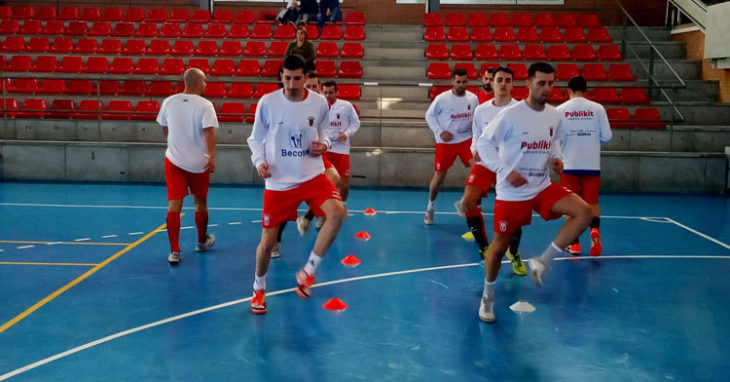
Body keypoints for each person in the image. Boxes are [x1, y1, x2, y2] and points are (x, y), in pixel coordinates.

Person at [476, 62, 593, 323]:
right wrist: (505, 171)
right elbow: (484, 144)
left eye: (551, 83)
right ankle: (488, 296)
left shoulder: (555, 115)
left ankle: (543, 261)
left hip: (541, 186)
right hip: (511, 193)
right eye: (541, 83)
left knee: (585, 212)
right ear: (528, 84)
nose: (547, 88)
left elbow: (556, 142)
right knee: (497, 249)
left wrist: (556, 158)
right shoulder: (509, 115)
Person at [247, 54, 347, 314]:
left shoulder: (319, 102)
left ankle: (308, 272)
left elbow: (325, 133)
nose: (291, 84)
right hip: (278, 182)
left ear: (306, 77)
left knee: (337, 214)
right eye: (287, 78)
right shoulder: (267, 103)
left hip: (311, 175)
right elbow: (255, 139)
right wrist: (259, 162)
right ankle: (258, 288)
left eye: (297, 78)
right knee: (268, 243)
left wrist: (324, 144)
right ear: (281, 76)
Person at [453, 67, 525, 276]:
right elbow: (476, 134)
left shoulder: (521, 110)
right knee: (467, 203)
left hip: (510, 166)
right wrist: (474, 148)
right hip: (485, 163)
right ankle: (485, 248)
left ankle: (514, 253)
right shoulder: (481, 110)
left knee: (514, 216)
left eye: (507, 80)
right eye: (499, 80)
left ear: (512, 85)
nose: (503, 83)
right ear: (491, 83)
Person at [156, 68, 218, 265]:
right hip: (198, 162)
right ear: (198, 83)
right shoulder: (206, 105)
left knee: (174, 205)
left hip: (174, 161)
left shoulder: (169, 102)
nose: (206, 85)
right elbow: (209, 132)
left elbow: (164, 127)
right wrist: (212, 157)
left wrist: (176, 142)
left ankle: (174, 251)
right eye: (205, 81)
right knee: (200, 202)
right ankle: (201, 241)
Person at [556, 76, 612, 257]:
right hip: (591, 165)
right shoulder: (597, 109)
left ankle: (575, 245)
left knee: (572, 207)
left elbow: (555, 138)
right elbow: (607, 136)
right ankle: (594, 229)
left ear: (568, 90)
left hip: (569, 165)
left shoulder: (560, 110)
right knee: (592, 204)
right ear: (586, 91)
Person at [424, 67, 479, 225]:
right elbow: (429, 115)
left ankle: (463, 201)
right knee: (439, 178)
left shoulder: (473, 98)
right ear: (452, 81)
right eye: (458, 82)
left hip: (466, 140)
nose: (461, 84)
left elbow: (477, 118)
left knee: (479, 170)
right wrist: (440, 131)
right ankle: (430, 208)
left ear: (467, 81)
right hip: (446, 142)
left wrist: (474, 127)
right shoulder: (442, 98)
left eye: (464, 82)